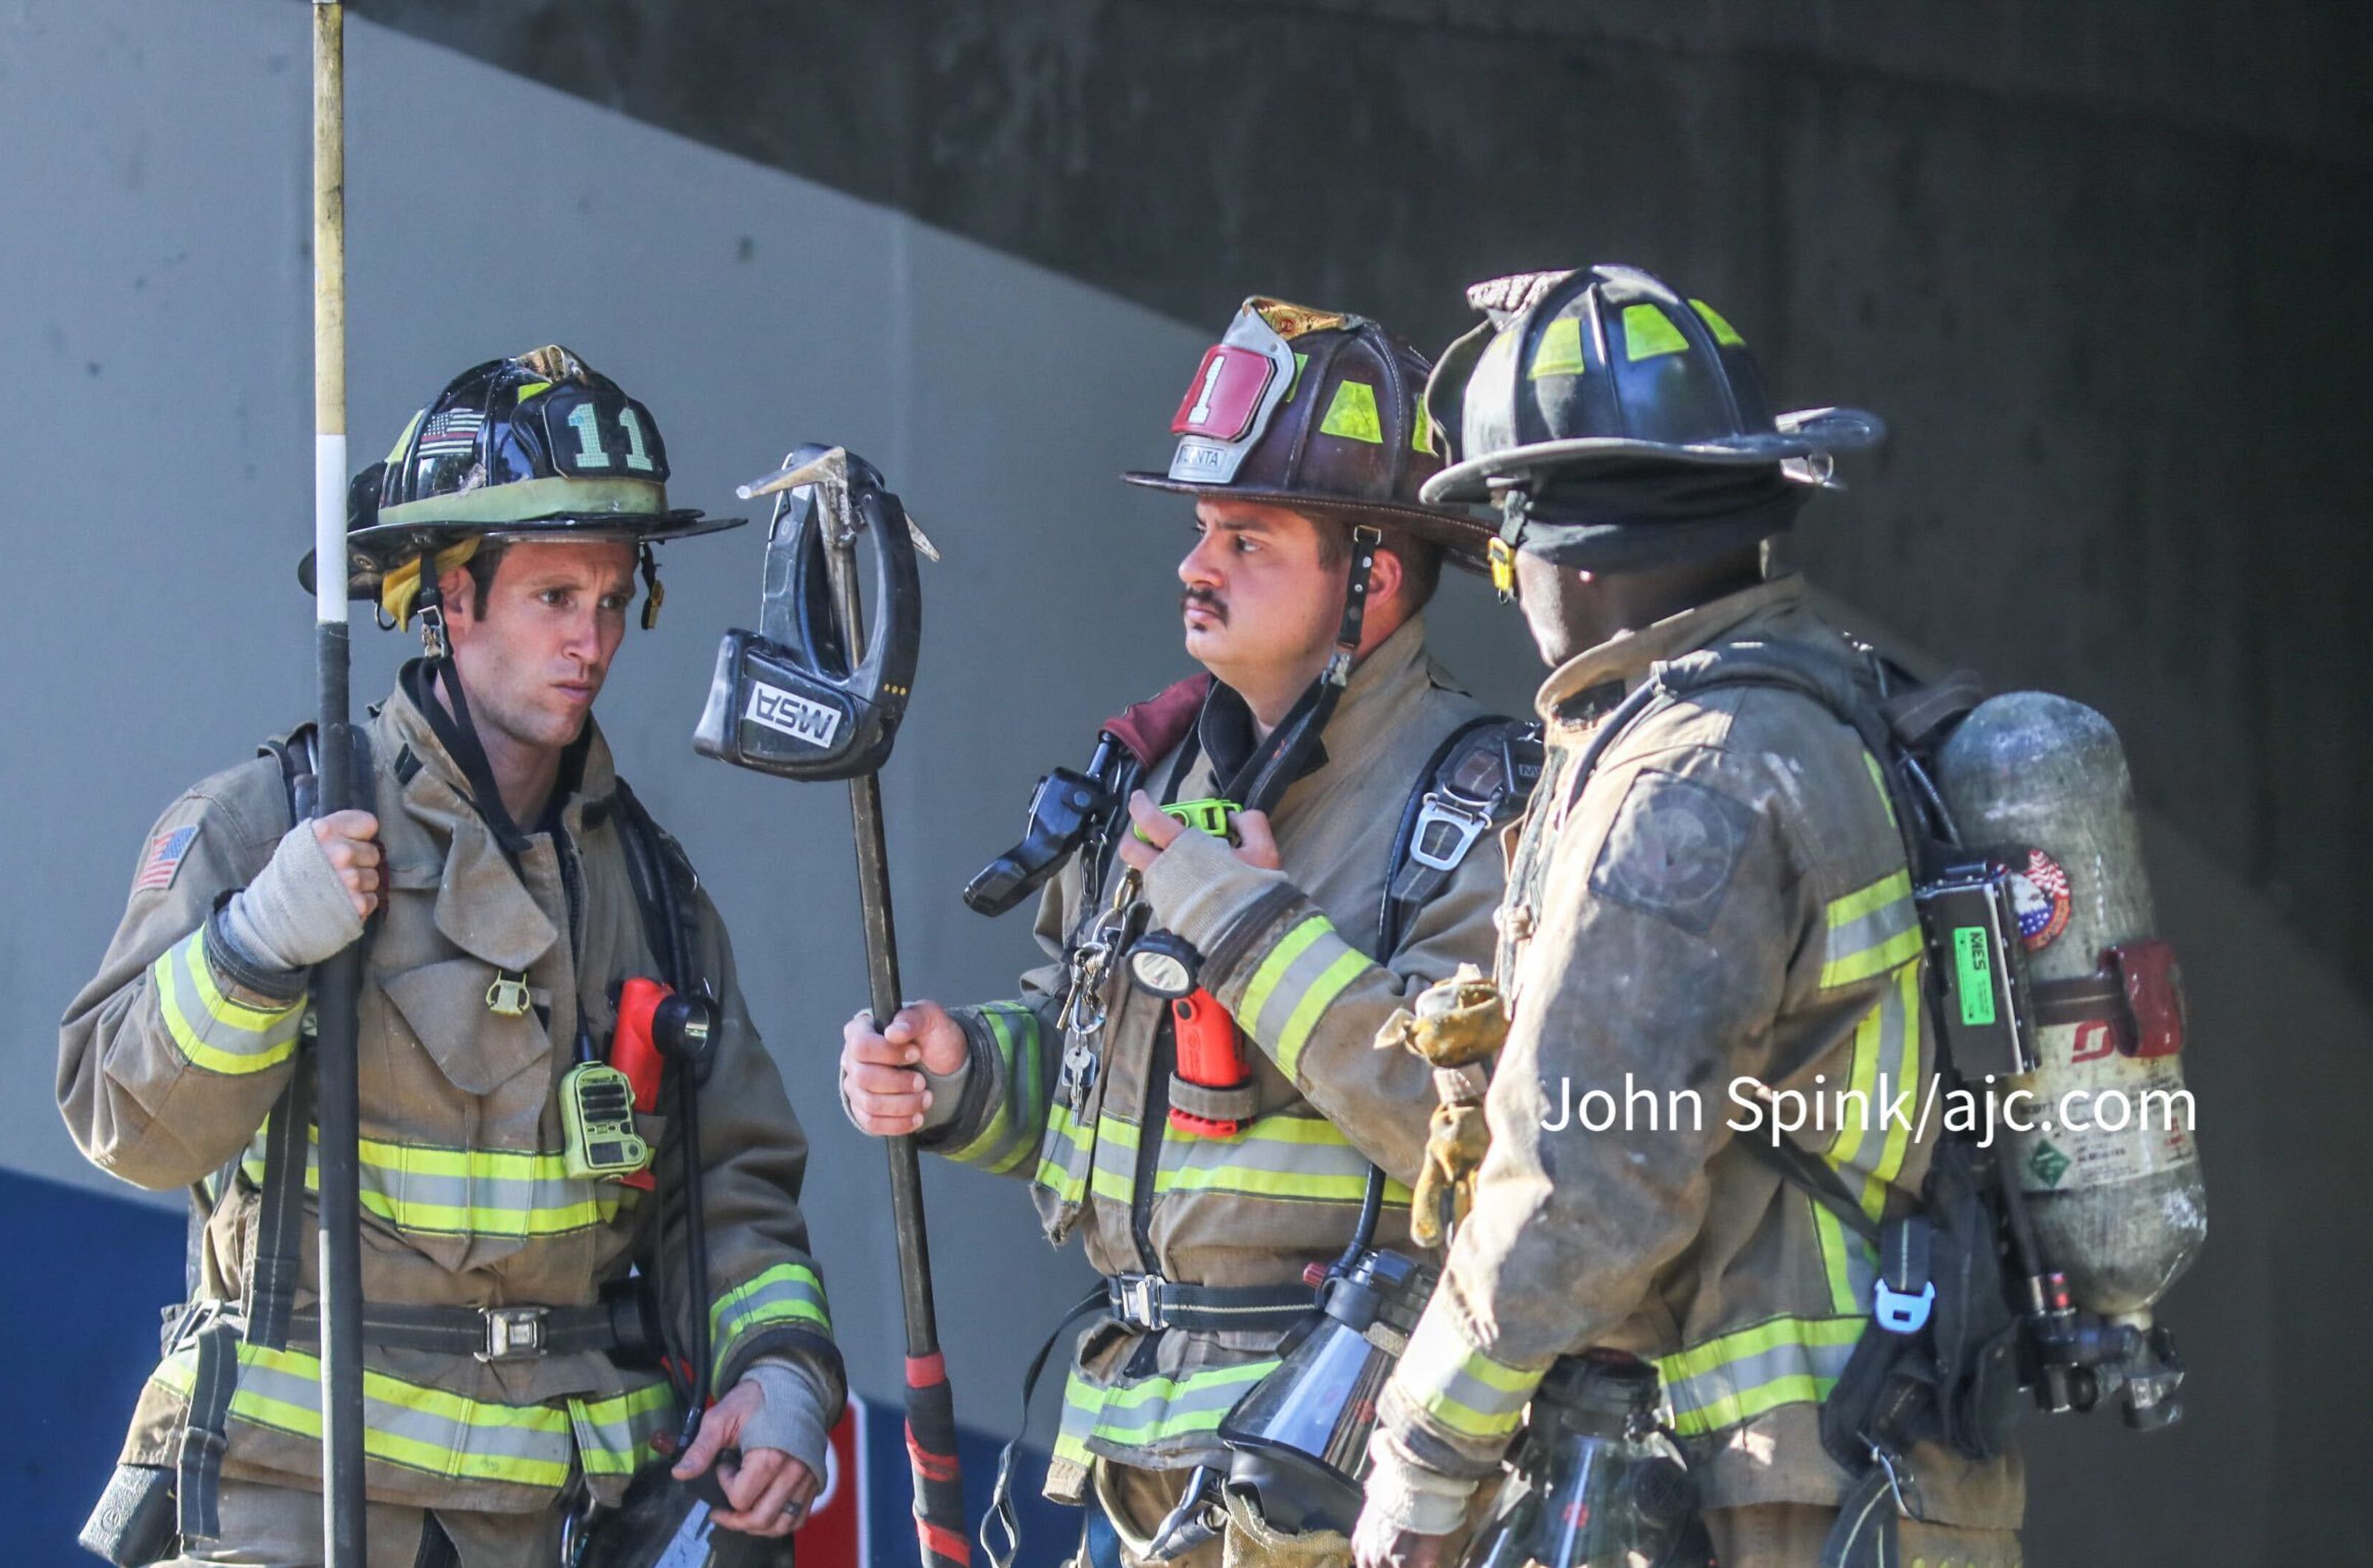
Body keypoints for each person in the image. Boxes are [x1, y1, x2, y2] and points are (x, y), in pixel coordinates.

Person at [59, 347, 842, 1567]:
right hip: (297, 1509)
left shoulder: (652, 895)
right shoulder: (269, 827)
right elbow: (123, 1121)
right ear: (452, 601)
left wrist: (778, 1365)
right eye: (550, 598)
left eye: (613, 599)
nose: (591, 640)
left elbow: (726, 1186)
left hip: (552, 1523)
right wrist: (256, 951)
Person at [839, 300, 1527, 1567]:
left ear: (1370, 576)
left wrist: (1248, 926)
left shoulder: (1483, 808)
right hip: (1141, 1470)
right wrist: (966, 1075)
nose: (1193, 565)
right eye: (1202, 528)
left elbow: (1475, 1148)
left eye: (1247, 537)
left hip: (1344, 1478)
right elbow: (1094, 1084)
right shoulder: (1154, 784)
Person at [1357, 267, 2026, 1568]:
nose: (1508, 587)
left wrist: (1424, 1460)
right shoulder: (1815, 710)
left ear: (1563, 550)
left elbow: (1588, 1179)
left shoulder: (1688, 776)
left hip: (1782, 1494)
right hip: (1880, 1471)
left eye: (1504, 546)